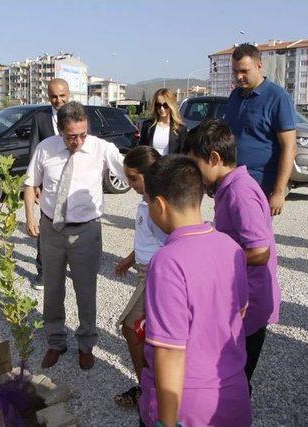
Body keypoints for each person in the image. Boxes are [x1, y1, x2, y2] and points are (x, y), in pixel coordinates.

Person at [139, 155, 251, 427]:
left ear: (160, 204)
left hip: (188, 405)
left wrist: (167, 422)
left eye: (148, 203)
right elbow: (240, 310)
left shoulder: (168, 261)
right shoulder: (231, 247)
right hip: (234, 393)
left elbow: (169, 351)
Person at [24, 101, 127, 370]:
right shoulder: (46, 148)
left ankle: (86, 344)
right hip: (52, 230)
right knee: (53, 289)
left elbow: (130, 170)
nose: (78, 141)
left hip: (86, 232)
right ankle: (55, 341)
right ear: (60, 130)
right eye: (71, 136)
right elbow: (30, 183)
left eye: (82, 134)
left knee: (86, 290)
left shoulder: (100, 148)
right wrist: (30, 218)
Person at [182, 119, 281, 394]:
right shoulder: (229, 188)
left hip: (250, 302)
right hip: (240, 299)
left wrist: (214, 260)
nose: (194, 174)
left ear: (214, 158)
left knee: (234, 377)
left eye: (195, 165)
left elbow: (260, 252)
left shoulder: (240, 191)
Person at [114, 146, 166, 409]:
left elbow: (171, 240)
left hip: (156, 273)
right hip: (143, 270)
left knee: (130, 328)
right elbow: (146, 238)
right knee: (144, 332)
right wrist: (130, 258)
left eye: (134, 178)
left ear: (149, 174)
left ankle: (148, 388)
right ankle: (152, 385)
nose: (130, 183)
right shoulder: (145, 201)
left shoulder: (159, 204)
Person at [223, 43, 297, 216]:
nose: (239, 77)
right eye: (235, 72)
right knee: (227, 236)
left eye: (244, 71)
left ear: (259, 66)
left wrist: (279, 192)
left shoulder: (278, 98)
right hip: (230, 180)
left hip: (259, 185)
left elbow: (289, 148)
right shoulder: (235, 96)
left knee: (254, 238)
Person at [28, 78, 70, 287]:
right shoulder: (40, 118)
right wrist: (34, 184)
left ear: (68, 94)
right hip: (48, 183)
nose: (58, 100)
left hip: (74, 183)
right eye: (54, 96)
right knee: (46, 228)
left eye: (62, 95)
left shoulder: (79, 115)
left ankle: (71, 266)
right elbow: (34, 149)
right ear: (48, 96)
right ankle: (43, 271)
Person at [138, 88, 188, 155]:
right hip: (152, 165)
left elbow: (182, 154)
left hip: (170, 164)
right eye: (158, 105)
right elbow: (142, 149)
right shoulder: (148, 125)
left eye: (165, 105)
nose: (162, 108)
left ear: (171, 105)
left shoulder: (180, 129)